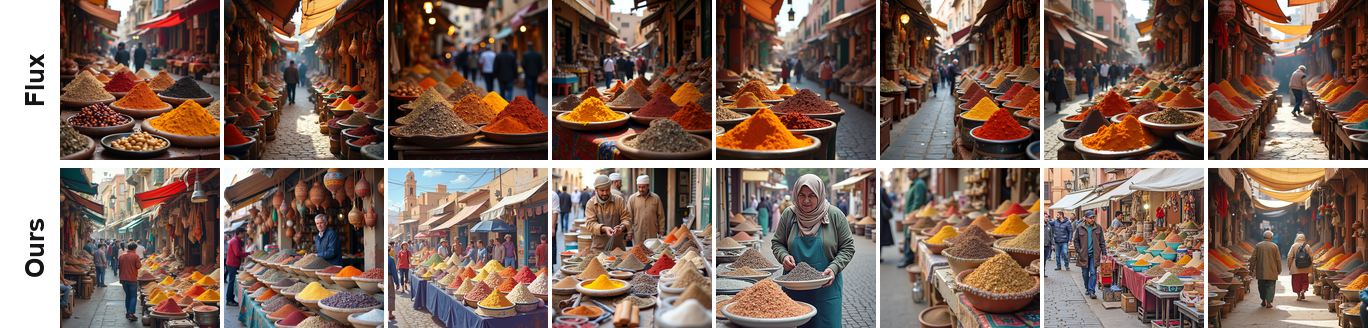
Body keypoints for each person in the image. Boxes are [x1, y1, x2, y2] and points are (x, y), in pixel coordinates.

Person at [771, 174, 856, 328]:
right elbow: (777, 243)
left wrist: (834, 267)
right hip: (794, 291)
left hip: (826, 290)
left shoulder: (835, 215)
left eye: (811, 195)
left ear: (820, 194)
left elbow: (848, 247)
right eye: (801, 195)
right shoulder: (789, 215)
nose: (806, 201)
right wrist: (783, 256)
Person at [585, 174, 632, 252]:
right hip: (598, 249)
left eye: (607, 190)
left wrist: (622, 227)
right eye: (602, 190)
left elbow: (627, 218)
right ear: (596, 189)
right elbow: (590, 224)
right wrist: (604, 229)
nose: (605, 193)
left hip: (618, 249)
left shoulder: (619, 200)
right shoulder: (590, 204)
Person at [899, 169, 928, 268]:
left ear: (916, 173)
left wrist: (910, 215)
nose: (908, 175)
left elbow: (917, 203)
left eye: (909, 173)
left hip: (913, 217)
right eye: (907, 173)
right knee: (908, 235)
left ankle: (908, 259)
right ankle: (907, 257)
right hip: (910, 216)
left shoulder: (918, 184)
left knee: (909, 236)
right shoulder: (915, 184)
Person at [626, 175, 665, 246]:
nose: (641, 189)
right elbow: (628, 216)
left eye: (643, 187)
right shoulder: (632, 198)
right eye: (639, 187)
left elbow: (661, 216)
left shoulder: (656, 198)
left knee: (652, 249)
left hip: (652, 231)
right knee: (639, 250)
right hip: (638, 232)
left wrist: (661, 229)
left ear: (648, 185)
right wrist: (630, 231)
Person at [1073, 210, 1104, 298]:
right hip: (1084, 255)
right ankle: (1087, 287)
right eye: (1090, 218)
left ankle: (1092, 291)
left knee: (1093, 272)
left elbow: (1102, 241)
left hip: (1094, 254)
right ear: (1085, 218)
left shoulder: (1098, 227)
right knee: (1085, 274)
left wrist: (1104, 253)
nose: (1092, 219)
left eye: (1093, 217)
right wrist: (1079, 251)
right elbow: (1076, 241)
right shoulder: (1080, 228)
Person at [1250, 230, 1282, 308]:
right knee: (1271, 285)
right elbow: (1278, 259)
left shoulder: (1258, 245)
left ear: (1263, 237)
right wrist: (1279, 269)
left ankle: (1263, 300)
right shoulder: (1275, 246)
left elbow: (1253, 257)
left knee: (1261, 286)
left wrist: (1252, 267)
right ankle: (1269, 302)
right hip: (1272, 269)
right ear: (1271, 238)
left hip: (1261, 270)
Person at [224, 226, 249, 306]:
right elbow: (237, 253)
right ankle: (229, 299)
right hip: (232, 264)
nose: (244, 234)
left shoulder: (236, 240)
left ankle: (230, 299)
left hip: (232, 263)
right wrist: (248, 253)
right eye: (243, 233)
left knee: (232, 281)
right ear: (240, 233)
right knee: (231, 282)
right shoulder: (235, 241)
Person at [118, 243, 141, 321]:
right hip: (132, 278)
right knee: (133, 295)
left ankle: (128, 312)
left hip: (123, 279)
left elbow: (118, 266)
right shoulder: (135, 256)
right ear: (134, 249)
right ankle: (131, 313)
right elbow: (138, 266)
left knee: (128, 295)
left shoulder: (121, 256)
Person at [1288, 233, 1314, 301]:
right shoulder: (1307, 246)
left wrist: (1289, 265)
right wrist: (1310, 264)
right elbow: (1311, 256)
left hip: (1296, 267)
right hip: (1305, 266)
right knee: (1305, 280)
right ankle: (1303, 290)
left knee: (1296, 282)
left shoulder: (1294, 246)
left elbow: (1290, 256)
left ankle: (1299, 296)